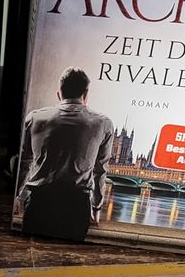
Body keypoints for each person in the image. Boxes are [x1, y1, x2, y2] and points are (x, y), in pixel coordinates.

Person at [15, 67, 115, 241]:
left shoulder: (35, 118)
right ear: (86, 94)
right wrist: (96, 206)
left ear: (59, 93)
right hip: (76, 206)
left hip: (39, 202)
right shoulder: (103, 124)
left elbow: (25, 162)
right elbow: (100, 170)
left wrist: (16, 196)